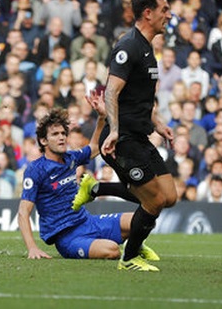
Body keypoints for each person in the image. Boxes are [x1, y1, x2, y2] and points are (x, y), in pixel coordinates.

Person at [76, 0, 178, 272]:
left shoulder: (147, 49)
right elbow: (111, 91)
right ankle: (130, 256)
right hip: (122, 139)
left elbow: (140, 97)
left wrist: (159, 124)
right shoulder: (128, 46)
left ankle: (96, 188)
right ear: (148, 13)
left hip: (141, 135)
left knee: (168, 196)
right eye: (165, 10)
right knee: (154, 200)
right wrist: (114, 131)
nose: (169, 15)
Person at [17, 97, 159, 263]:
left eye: (63, 133)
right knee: (112, 250)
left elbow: (93, 147)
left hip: (87, 221)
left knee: (142, 220)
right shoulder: (36, 170)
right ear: (43, 141)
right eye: (55, 134)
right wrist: (32, 247)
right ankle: (129, 248)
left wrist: (101, 118)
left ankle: (134, 246)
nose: (61, 137)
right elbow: (23, 212)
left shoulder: (71, 158)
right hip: (67, 236)